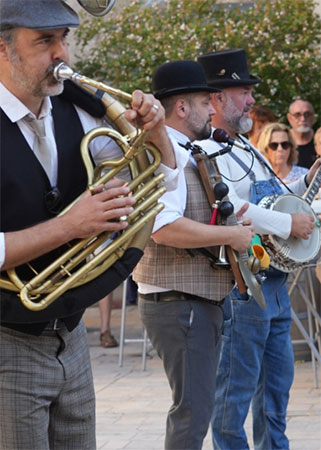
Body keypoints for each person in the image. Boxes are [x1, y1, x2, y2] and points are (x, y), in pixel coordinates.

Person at [0, 1, 180, 449]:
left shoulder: (79, 111)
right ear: (3, 49)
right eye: (44, 41)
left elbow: (157, 183)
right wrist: (70, 226)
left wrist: (154, 133)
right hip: (7, 339)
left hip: (72, 334)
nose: (62, 53)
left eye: (64, 38)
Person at [197, 48, 320, 450]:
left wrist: (312, 183)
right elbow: (234, 207)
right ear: (216, 98)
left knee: (276, 394)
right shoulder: (207, 150)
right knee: (234, 397)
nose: (252, 99)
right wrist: (290, 223)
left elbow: (282, 197)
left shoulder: (247, 147)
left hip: (275, 285)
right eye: (244, 91)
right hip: (243, 285)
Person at [133, 60, 254, 450]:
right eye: (205, 102)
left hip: (192, 301)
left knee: (195, 412)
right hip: (179, 302)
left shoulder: (185, 149)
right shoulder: (160, 151)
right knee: (192, 415)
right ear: (182, 108)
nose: (212, 110)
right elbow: (163, 228)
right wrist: (231, 236)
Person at [286, 98, 317, 169]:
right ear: (289, 118)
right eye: (297, 115)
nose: (303, 119)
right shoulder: (279, 143)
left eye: (307, 114)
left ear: (313, 117)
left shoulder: (319, 141)